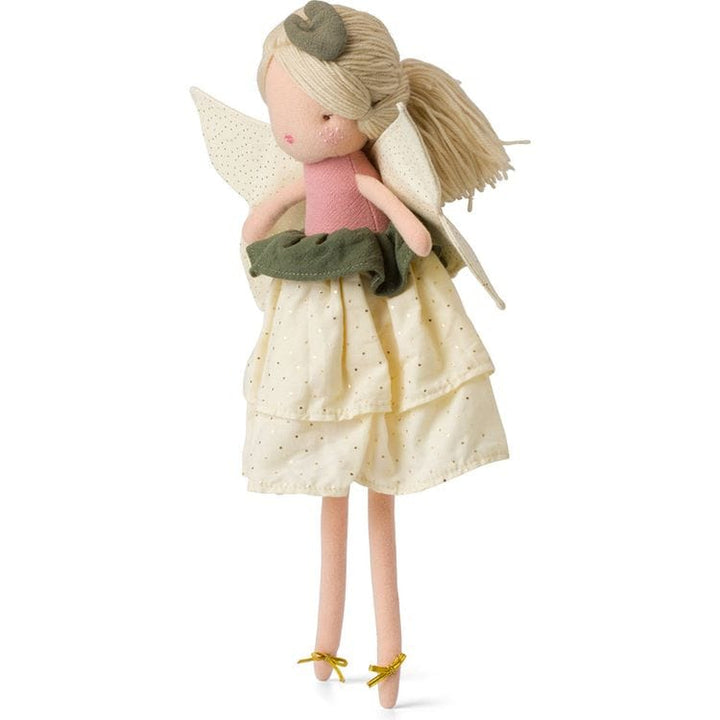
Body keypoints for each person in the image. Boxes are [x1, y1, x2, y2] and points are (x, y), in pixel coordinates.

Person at [193, 1, 520, 708]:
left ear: (362, 112)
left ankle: (385, 648)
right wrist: (256, 227)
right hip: (315, 312)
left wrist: (415, 233)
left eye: (318, 116)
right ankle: (327, 639)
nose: (292, 133)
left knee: (377, 488)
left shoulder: (368, 172)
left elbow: (414, 231)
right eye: (283, 114)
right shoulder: (306, 174)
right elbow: (263, 216)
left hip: (378, 297)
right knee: (332, 481)